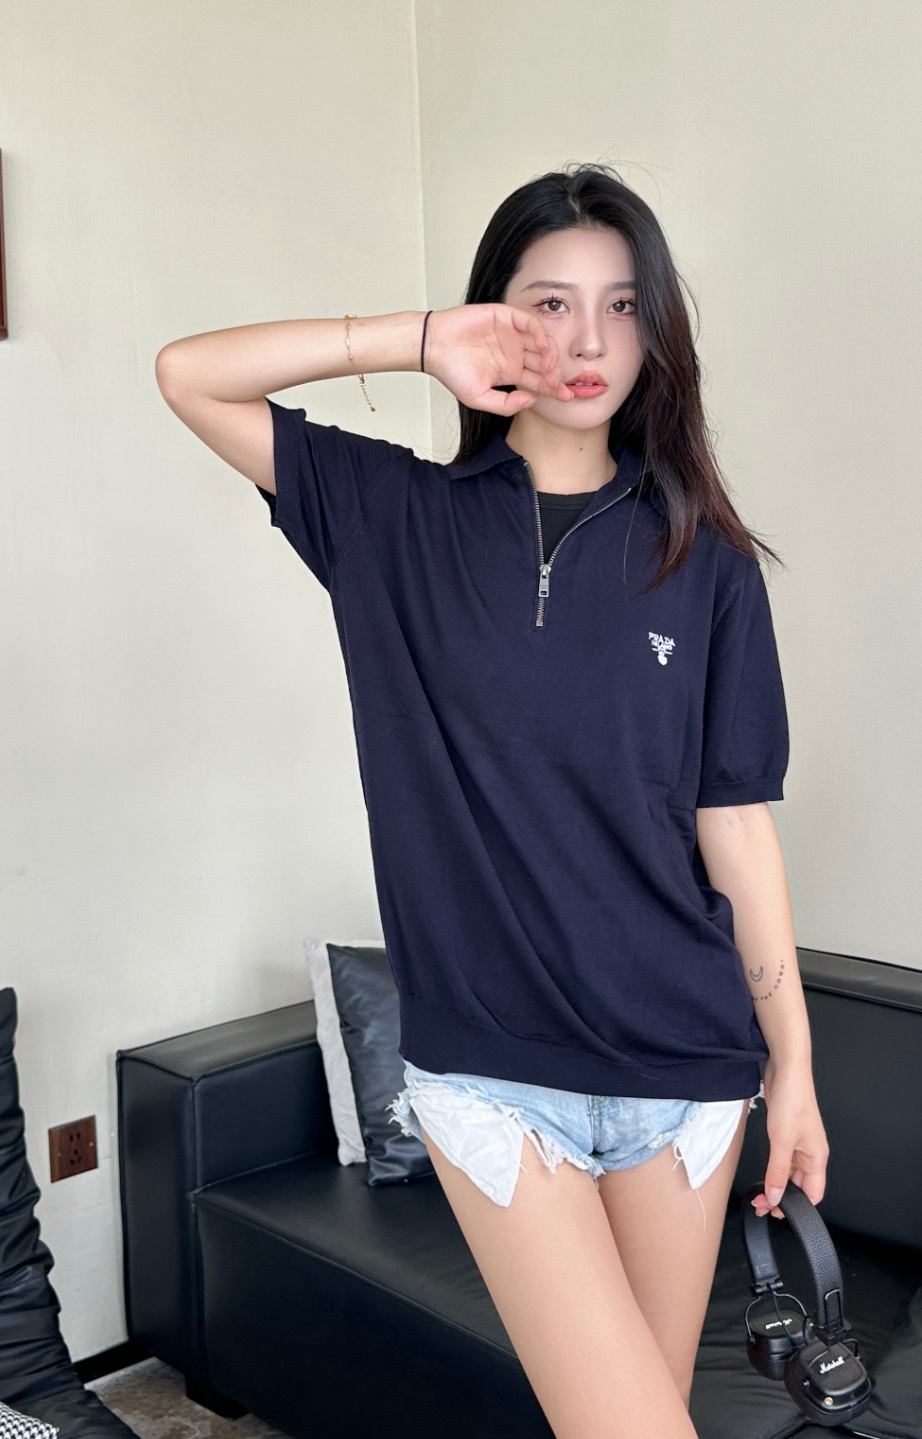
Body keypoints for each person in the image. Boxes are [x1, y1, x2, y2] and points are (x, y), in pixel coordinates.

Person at [154, 163, 828, 1439]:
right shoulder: (390, 517)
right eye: (548, 302)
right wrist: (416, 341)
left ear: (657, 333)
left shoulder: (708, 564)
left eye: (621, 305)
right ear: (494, 314)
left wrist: (791, 1068)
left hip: (687, 1072)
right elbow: (190, 373)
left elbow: (735, 824)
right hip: (492, 1074)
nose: (586, 341)